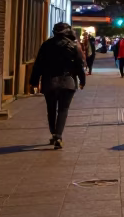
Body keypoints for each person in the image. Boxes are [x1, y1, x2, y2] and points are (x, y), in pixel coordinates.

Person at [30, 22, 87, 150]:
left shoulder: (46, 45)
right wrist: (82, 80)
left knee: (51, 109)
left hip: (49, 81)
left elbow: (38, 64)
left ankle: (53, 133)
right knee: (63, 109)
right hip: (68, 81)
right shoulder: (73, 46)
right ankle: (58, 135)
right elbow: (79, 65)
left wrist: (34, 81)